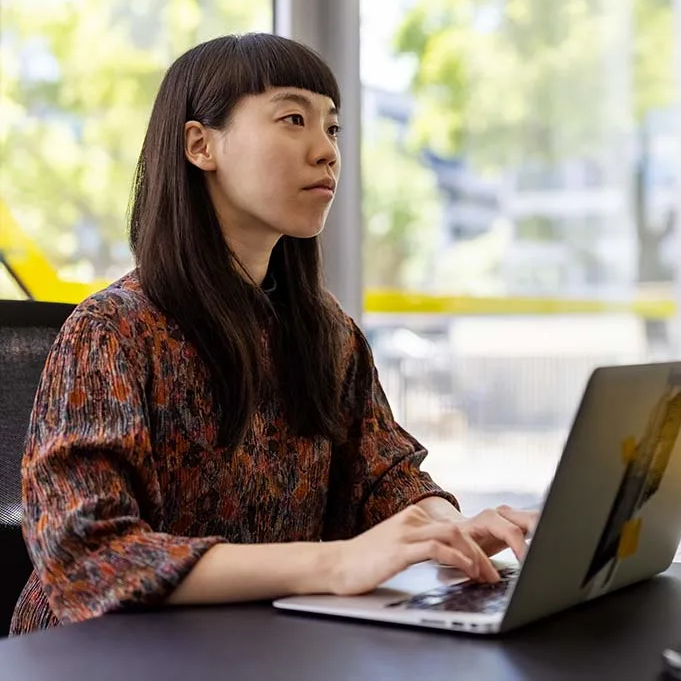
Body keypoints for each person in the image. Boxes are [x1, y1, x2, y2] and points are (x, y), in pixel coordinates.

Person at [11, 33, 536, 636]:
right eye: (293, 119)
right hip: (100, 659)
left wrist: (445, 528)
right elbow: (86, 558)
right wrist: (333, 563)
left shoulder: (326, 332)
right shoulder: (112, 332)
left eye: (332, 128)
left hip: (260, 648)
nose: (326, 152)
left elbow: (384, 476)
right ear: (200, 145)